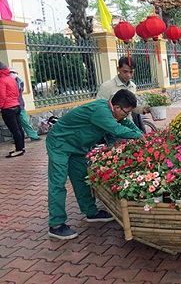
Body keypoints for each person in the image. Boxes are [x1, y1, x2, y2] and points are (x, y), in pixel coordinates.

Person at [46, 89, 144, 239]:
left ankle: (91, 212)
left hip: (78, 147)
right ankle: (56, 224)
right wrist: (140, 137)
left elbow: (127, 125)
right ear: (117, 107)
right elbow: (116, 129)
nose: (126, 115)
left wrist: (144, 135)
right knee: (58, 182)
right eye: (126, 112)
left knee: (81, 178)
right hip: (60, 143)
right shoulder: (102, 111)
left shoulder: (114, 113)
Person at [96, 56, 150, 133]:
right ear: (118, 69)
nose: (128, 75)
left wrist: (142, 109)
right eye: (125, 71)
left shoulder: (132, 86)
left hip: (128, 125)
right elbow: (99, 109)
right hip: (113, 127)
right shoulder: (107, 86)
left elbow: (130, 107)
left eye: (131, 72)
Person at [0, 62, 25, 158]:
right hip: (16, 106)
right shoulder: (11, 79)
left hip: (8, 108)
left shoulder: (1, 80)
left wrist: (0, 106)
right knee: (19, 128)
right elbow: (16, 92)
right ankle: (21, 147)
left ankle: (18, 150)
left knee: (14, 130)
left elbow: (2, 96)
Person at [9, 68, 41, 141]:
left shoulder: (19, 82)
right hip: (13, 105)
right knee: (16, 124)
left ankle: (33, 136)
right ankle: (19, 138)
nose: (12, 74)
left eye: (13, 72)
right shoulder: (13, 82)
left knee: (24, 122)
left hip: (19, 105)